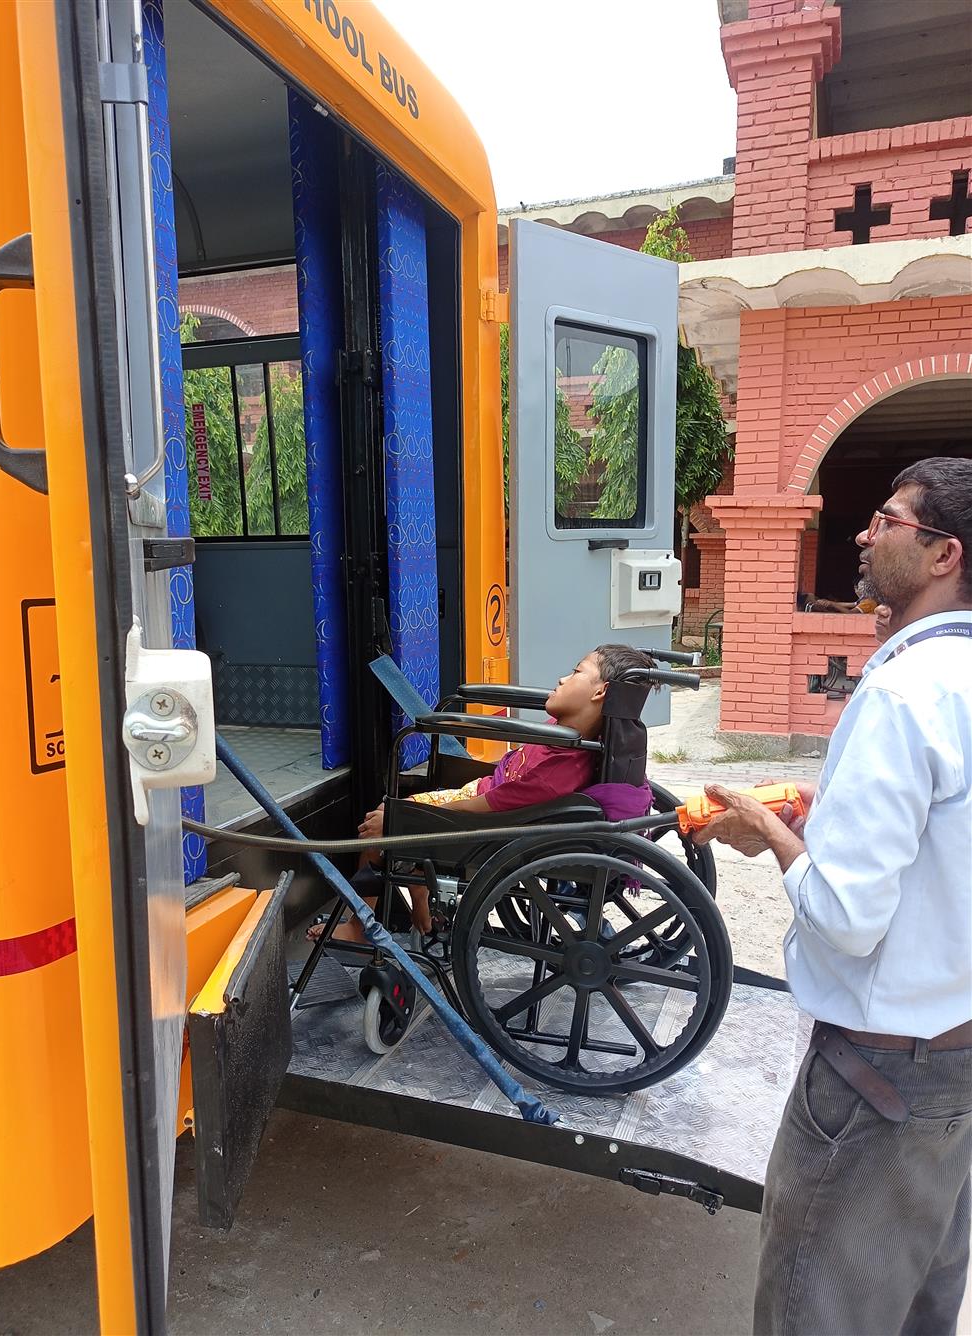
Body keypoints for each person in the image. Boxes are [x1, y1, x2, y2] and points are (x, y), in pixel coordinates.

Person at [692, 457, 972, 1336]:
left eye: (888, 519)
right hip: (956, 1066)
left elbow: (848, 922)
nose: (864, 531)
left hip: (876, 1082)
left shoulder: (903, 692)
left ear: (943, 555)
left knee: (819, 1312)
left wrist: (771, 834)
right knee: (923, 1300)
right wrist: (825, 819)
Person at [312, 643, 656, 942]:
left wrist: (409, 817)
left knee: (378, 826)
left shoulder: (556, 773)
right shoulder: (568, 736)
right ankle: (419, 885)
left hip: (487, 819)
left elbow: (486, 808)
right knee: (397, 816)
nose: (563, 679)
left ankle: (360, 927)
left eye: (576, 672)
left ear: (599, 693)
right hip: (490, 795)